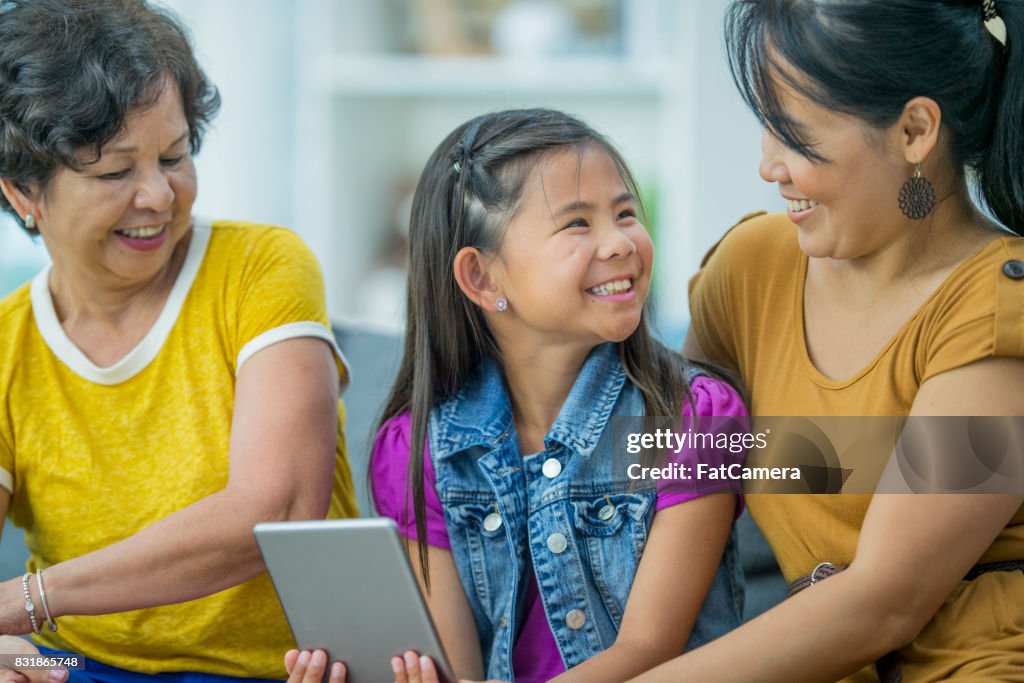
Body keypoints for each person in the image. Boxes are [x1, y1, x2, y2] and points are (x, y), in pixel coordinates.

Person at [634, 1, 1024, 682]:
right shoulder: (749, 271)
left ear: (914, 129)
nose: (768, 165)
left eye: (795, 134)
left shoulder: (996, 308)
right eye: (765, 125)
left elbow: (884, 600)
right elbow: (664, 486)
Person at [285, 109, 747, 683]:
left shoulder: (694, 419)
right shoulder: (418, 449)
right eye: (577, 224)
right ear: (482, 278)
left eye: (626, 213)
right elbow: (457, 671)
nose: (621, 242)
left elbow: (650, 650)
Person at [0, 0, 358, 680]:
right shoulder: (7, 344)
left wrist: (28, 603)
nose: (159, 196)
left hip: (282, 668)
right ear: (23, 192)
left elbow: (275, 509)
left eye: (175, 155)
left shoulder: (263, 267)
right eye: (114, 173)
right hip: (81, 664)